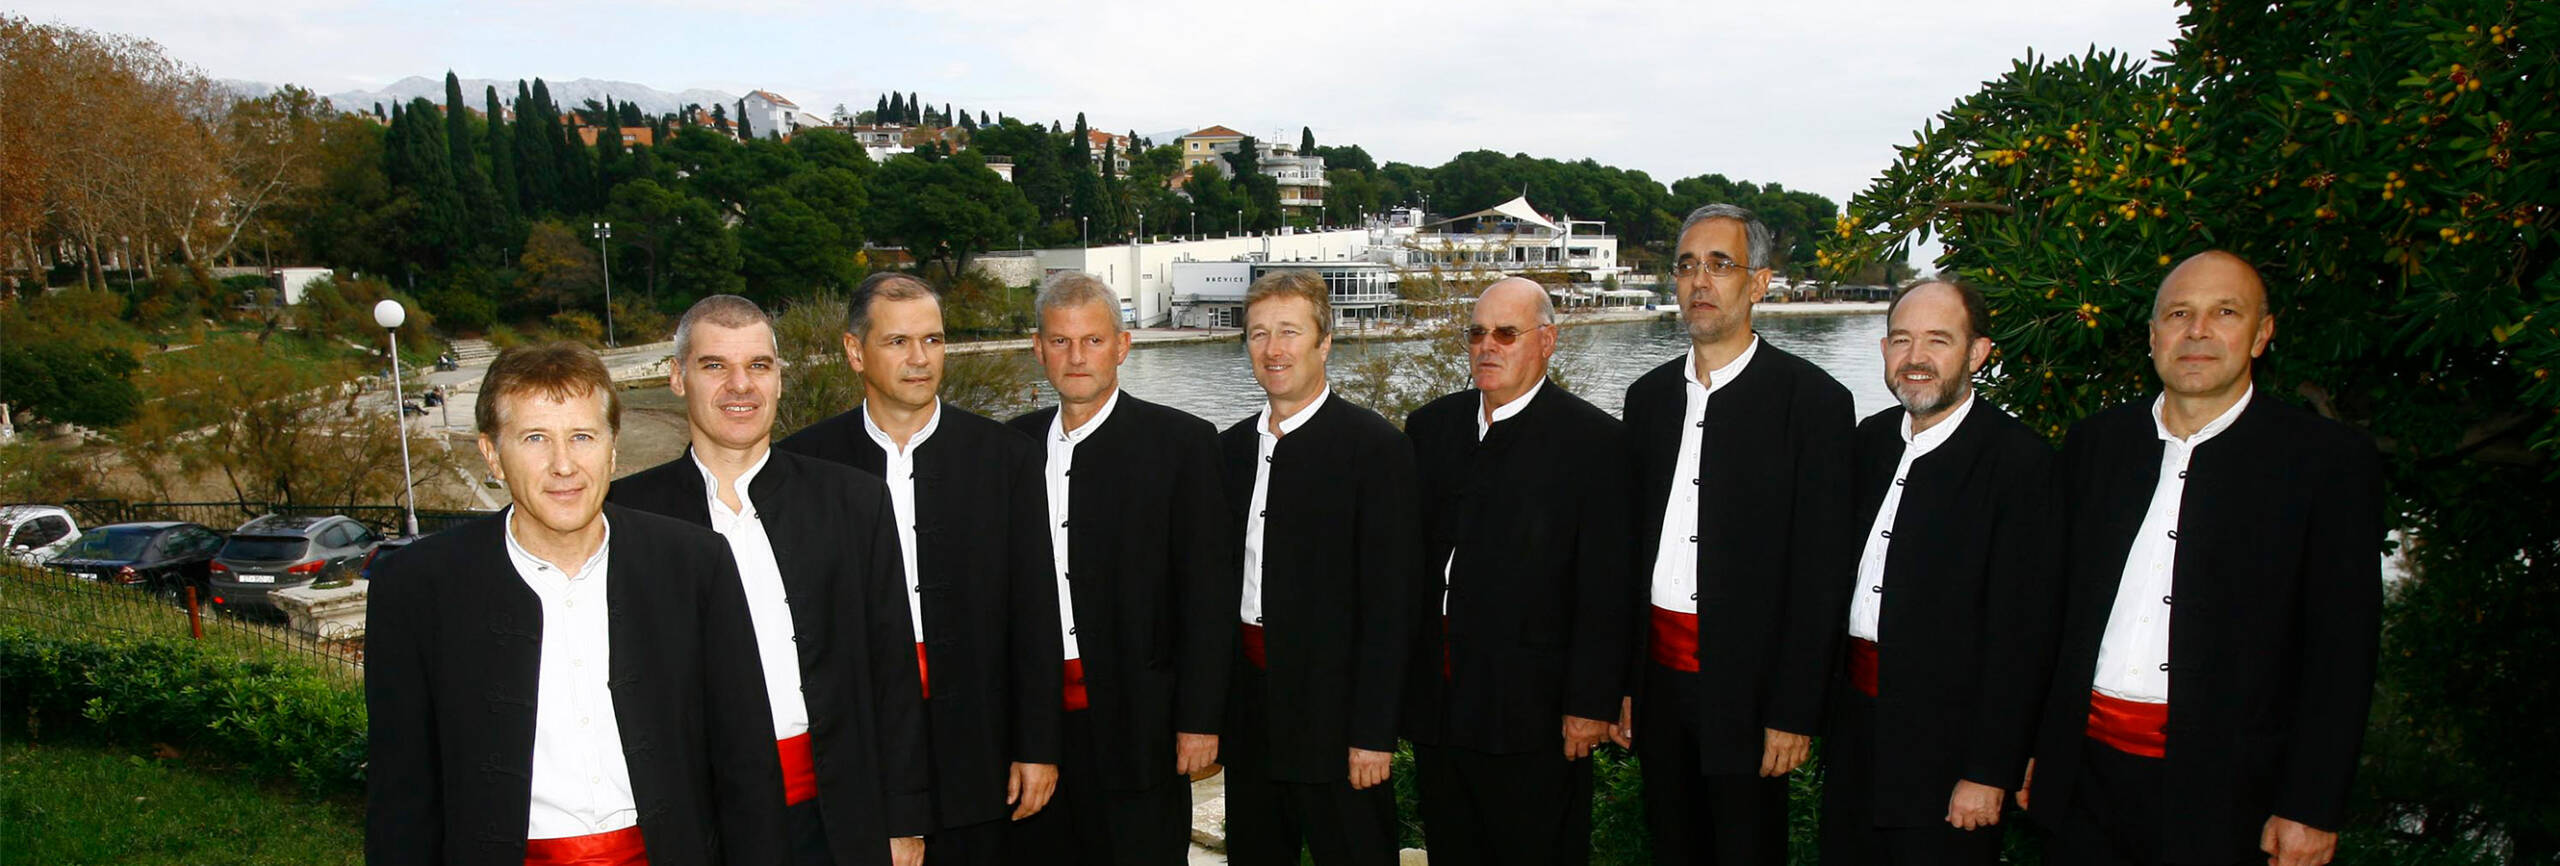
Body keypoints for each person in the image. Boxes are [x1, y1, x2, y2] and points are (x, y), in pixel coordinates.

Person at [2025, 251, 2383, 866]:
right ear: (2153, 336)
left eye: (2225, 313)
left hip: (2231, 796)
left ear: (2262, 335)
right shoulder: (2095, 445)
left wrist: (2311, 805)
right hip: (2082, 780)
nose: (2197, 332)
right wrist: (2036, 747)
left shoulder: (2327, 462)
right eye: (2179, 314)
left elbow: (2342, 651)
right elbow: (2048, 610)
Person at [365, 341, 785, 865]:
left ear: (612, 449)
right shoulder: (416, 587)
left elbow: (746, 761)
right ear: (492, 454)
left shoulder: (695, 564)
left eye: (582, 436)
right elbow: (402, 795)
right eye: (535, 438)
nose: (563, 465)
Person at [606, 295, 932, 866]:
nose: (741, 385)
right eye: (715, 366)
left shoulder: (853, 502)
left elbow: (892, 669)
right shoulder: (624, 517)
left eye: (758, 365)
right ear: (677, 378)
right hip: (694, 826)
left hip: (836, 818)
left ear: (779, 379)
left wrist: (903, 817)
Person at [776, 272, 1064, 866]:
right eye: (898, 341)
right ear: (855, 351)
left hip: (980, 734)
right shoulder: (803, 461)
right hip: (857, 733)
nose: (920, 359)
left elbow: (1035, 608)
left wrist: (1038, 745)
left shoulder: (1005, 456)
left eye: (933, 340)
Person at [1620, 203, 1858, 864]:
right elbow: (1628, 553)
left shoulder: (1814, 404)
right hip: (1658, 680)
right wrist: (1625, 682)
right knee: (1671, 845)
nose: (1700, 281)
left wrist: (1794, 709)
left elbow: (1821, 573)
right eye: (1687, 265)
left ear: (1758, 283)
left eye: (1720, 265)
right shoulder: (1646, 400)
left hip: (1751, 689)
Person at [1818, 279, 2064, 865]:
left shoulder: (2021, 463)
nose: (1916, 357)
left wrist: (1989, 770)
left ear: (1977, 353)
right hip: (1855, 730)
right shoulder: (1868, 441)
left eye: (1938, 340)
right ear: (1884, 352)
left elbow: (2025, 637)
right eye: (1902, 340)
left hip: (1950, 752)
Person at [1005, 271, 1239, 864]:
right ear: (1038, 349)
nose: (1076, 357)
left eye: (1093, 340)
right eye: (1060, 341)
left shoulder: (1182, 444)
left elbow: (1208, 594)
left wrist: (1200, 719)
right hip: (1035, 723)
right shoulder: (1007, 448)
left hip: (1142, 722)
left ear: (1122, 346)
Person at [1402, 277, 1631, 865]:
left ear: (1546, 341)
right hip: (1441, 702)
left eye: (1506, 333)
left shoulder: (1595, 442)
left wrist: (1591, 703)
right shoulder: (1429, 428)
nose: (1487, 346)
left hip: (1536, 713)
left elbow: (1606, 587)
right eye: (1477, 333)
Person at [1218, 270, 1421, 866]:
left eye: (1289, 331)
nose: (1273, 349)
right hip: (1250, 709)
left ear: (1324, 342)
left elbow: (1393, 606)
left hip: (1338, 717)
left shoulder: (1376, 450)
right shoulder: (1226, 451)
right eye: (1259, 333)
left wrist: (1374, 733)